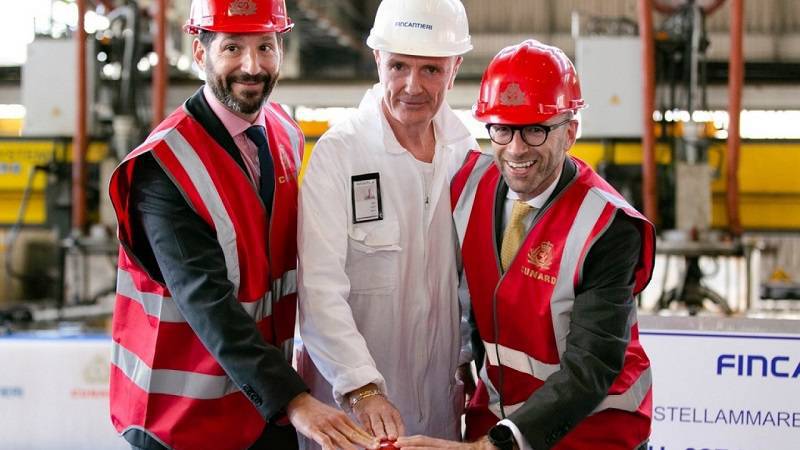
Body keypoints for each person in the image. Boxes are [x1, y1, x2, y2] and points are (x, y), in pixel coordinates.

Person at [107, 1, 378, 449]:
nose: (252, 67)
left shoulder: (285, 133)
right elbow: (206, 301)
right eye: (232, 48)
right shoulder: (164, 165)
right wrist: (294, 400)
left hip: (262, 415)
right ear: (200, 53)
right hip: (182, 421)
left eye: (265, 47)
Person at [398, 40, 656, 450]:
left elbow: (591, 366)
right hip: (498, 419)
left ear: (569, 132)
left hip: (592, 431)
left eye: (536, 130)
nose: (516, 150)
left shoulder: (608, 227)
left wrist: (496, 444)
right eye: (502, 129)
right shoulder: (469, 187)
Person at [296, 0, 478, 447]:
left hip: (437, 413)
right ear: (378, 58)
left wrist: (466, 357)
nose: (412, 86)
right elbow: (319, 290)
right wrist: (362, 387)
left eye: (431, 69)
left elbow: (466, 283)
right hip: (352, 416)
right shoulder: (340, 155)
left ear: (454, 68)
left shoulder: (465, 155)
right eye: (398, 66)